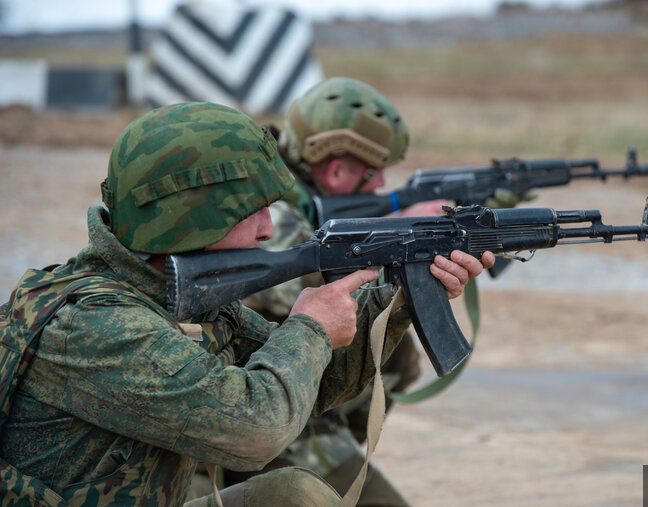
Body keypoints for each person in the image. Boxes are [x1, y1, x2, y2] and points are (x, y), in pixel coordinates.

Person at [0, 101, 494, 506]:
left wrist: (402, 294)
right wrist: (310, 327)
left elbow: (317, 383)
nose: (266, 228)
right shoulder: (93, 325)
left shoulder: (174, 296)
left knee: (293, 496)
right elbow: (255, 432)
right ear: (191, 219)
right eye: (251, 211)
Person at [235, 77, 517, 506]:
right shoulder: (274, 219)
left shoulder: (291, 200)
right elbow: (311, 291)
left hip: (292, 400)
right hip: (249, 417)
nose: (383, 183)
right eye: (374, 173)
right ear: (337, 171)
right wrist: (399, 236)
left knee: (399, 359)